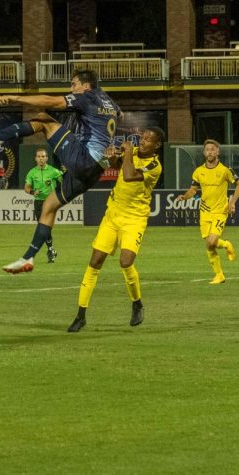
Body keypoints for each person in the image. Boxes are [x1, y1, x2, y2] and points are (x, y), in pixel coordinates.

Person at [0, 69, 120, 273]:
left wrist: (14, 97)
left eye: (74, 84)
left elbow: (50, 101)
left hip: (85, 159)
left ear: (86, 86)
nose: (71, 88)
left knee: (42, 119)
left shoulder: (86, 97)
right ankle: (28, 258)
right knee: (49, 206)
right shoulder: (109, 102)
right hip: (95, 171)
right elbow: (119, 114)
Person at [67, 128, 164, 333]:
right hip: (113, 215)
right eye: (142, 137)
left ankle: (136, 303)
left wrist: (128, 152)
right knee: (95, 262)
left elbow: (129, 176)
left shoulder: (154, 166)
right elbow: (116, 167)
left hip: (134, 219)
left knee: (125, 262)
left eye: (148, 140)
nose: (143, 141)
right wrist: (111, 158)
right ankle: (80, 315)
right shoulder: (134, 152)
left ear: (157, 145)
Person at [177, 139, 239, 285]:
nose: (210, 152)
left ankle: (226, 245)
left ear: (217, 152)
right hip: (205, 212)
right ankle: (219, 275)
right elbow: (193, 190)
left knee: (212, 241)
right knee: (209, 245)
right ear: (204, 152)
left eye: (213, 149)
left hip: (220, 211)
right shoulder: (199, 172)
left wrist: (232, 202)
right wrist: (185, 196)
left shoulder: (225, 170)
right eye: (207, 149)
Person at [24, 148, 63, 263]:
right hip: (38, 202)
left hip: (50, 202)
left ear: (47, 158)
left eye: (43, 156)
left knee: (44, 227)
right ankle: (51, 249)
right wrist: (32, 192)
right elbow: (26, 188)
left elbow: (64, 180)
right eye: (39, 156)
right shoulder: (32, 172)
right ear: (36, 158)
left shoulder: (53, 171)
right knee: (43, 229)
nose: (41, 159)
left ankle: (50, 250)